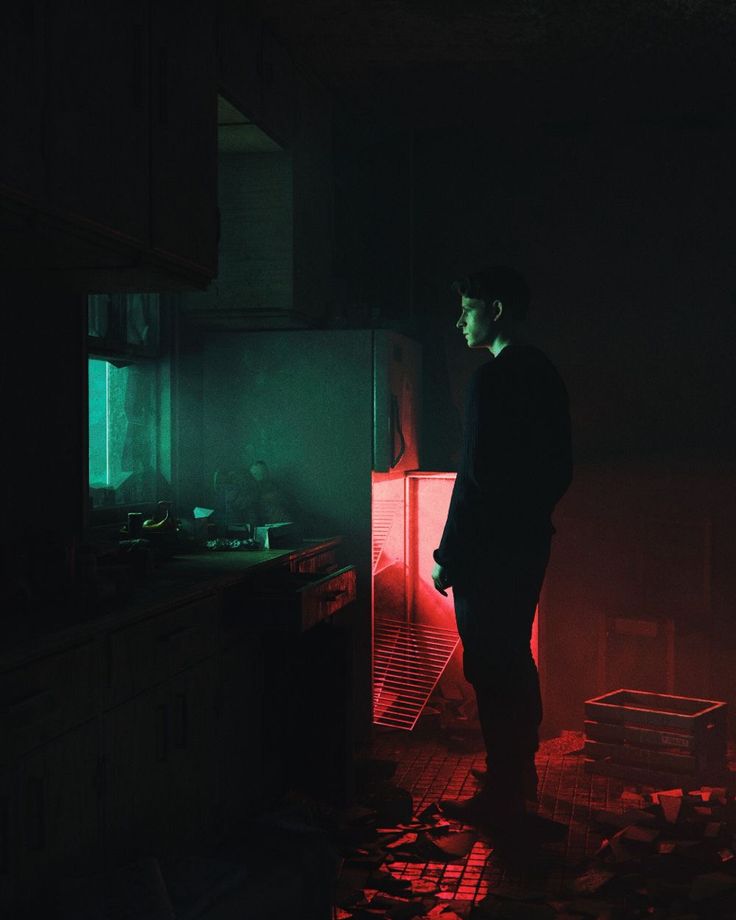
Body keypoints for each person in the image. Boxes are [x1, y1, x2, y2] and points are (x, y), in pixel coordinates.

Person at [431, 266, 572, 843]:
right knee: (514, 657)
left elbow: (475, 481)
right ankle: (518, 778)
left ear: (493, 309)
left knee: (489, 668)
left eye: (466, 309)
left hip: (488, 555)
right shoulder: (545, 373)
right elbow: (561, 469)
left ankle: (502, 798)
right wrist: (528, 519)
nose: (459, 320)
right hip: (529, 543)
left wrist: (447, 554)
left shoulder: (488, 381)